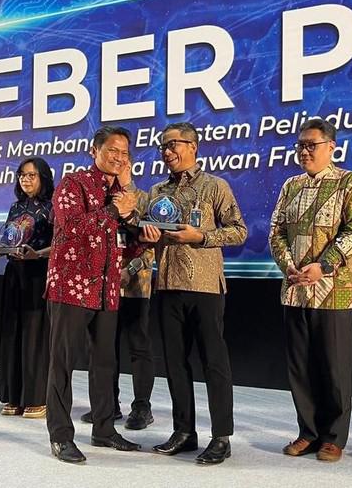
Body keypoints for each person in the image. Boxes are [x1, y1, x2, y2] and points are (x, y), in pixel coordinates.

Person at [144, 122, 247, 465]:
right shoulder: (157, 191)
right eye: (163, 146)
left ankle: (221, 437)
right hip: (167, 283)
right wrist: (146, 237)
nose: (167, 151)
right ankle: (184, 432)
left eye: (173, 144)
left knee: (213, 362)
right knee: (174, 362)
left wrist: (201, 237)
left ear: (193, 146)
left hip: (204, 285)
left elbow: (239, 231)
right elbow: (149, 234)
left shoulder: (215, 186)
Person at [268, 118, 352, 462]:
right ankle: (308, 432)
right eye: (300, 145)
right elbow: (276, 231)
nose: (304, 152)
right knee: (300, 367)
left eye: (311, 145)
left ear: (331, 147)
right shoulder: (291, 185)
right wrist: (288, 266)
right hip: (295, 290)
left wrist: (323, 266)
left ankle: (333, 437)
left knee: (334, 367)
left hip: (334, 292)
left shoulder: (348, 182)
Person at [46, 126, 143, 464]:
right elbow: (70, 228)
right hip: (71, 286)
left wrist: (142, 236)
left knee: (105, 363)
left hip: (106, 289)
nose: (119, 157)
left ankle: (104, 429)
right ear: (95, 151)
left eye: (125, 153)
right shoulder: (73, 184)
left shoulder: (123, 194)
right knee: (63, 363)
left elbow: (123, 246)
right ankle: (60, 436)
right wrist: (114, 211)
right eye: (113, 150)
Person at [80, 154, 156, 430]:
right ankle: (107, 405)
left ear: (131, 167)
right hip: (103, 285)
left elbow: (152, 246)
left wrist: (128, 271)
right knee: (104, 347)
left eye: (122, 165)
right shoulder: (103, 200)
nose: (117, 170)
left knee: (138, 346)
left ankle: (142, 408)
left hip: (135, 285)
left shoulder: (145, 200)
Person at [0, 157, 54, 419]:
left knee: (34, 336)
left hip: (38, 275)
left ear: (43, 178)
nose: (26, 179)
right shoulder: (16, 207)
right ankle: (14, 395)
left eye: (32, 175)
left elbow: (61, 244)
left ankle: (36, 396)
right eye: (22, 175)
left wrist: (37, 254)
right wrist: (3, 250)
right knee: (12, 334)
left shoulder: (53, 207)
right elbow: (12, 240)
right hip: (14, 274)